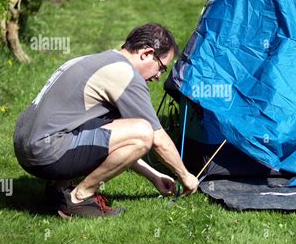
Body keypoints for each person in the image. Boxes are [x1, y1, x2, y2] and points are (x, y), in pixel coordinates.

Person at [13, 23, 199, 218]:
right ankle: (78, 198)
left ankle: (58, 189)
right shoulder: (126, 74)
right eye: (161, 67)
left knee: (119, 125)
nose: (158, 77)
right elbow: (155, 138)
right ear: (147, 53)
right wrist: (185, 176)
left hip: (26, 146)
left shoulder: (94, 60)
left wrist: (154, 177)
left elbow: (118, 143)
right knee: (144, 132)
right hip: (45, 153)